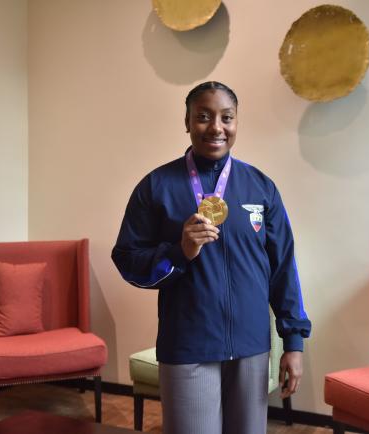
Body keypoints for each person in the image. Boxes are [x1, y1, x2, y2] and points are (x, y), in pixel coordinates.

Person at [112, 81, 311, 434]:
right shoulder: (157, 187)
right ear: (187, 122)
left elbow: (283, 269)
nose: (216, 127)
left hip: (251, 347)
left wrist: (293, 342)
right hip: (188, 345)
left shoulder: (260, 187)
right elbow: (128, 260)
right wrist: (179, 253)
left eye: (226, 117)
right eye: (203, 117)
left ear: (236, 123)